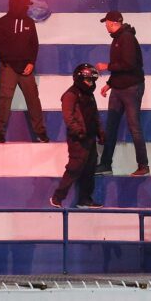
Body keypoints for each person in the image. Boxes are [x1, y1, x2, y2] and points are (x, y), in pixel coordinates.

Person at [93, 11, 149, 178]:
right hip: (119, 88)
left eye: (106, 23)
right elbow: (121, 66)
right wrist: (110, 84)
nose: (105, 26)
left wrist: (107, 66)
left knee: (134, 127)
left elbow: (129, 64)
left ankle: (143, 165)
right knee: (111, 127)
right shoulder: (118, 39)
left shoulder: (127, 38)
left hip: (131, 88)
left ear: (112, 22)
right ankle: (105, 165)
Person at [0, 0, 48, 143]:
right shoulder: (1, 22)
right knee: (4, 100)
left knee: (33, 100)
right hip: (8, 67)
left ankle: (40, 133)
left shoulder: (29, 22)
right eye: (26, 5)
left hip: (26, 69)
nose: (27, 7)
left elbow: (34, 45)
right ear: (18, 5)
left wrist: (31, 63)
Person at [50, 64, 105, 210]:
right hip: (78, 139)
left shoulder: (89, 95)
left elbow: (95, 115)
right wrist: (79, 132)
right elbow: (68, 117)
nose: (90, 83)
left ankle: (85, 200)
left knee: (89, 169)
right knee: (74, 168)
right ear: (79, 79)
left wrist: (100, 132)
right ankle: (57, 198)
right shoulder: (70, 94)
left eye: (92, 80)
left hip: (90, 138)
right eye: (88, 80)